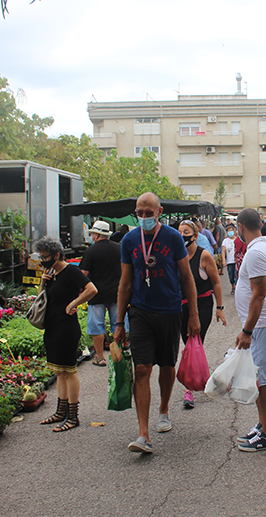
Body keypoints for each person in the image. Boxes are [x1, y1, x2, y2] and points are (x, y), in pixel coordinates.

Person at [115, 192, 200, 455]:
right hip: (140, 311)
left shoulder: (173, 237)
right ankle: (143, 434)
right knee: (142, 368)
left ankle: (163, 409)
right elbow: (125, 283)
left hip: (170, 310)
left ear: (159, 211)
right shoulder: (129, 240)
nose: (143, 217)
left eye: (148, 213)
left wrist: (194, 315)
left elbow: (187, 278)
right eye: (139, 213)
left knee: (166, 365)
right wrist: (119, 322)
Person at [34, 236, 98, 432]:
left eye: (46, 257)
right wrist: (43, 283)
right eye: (41, 257)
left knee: (69, 371)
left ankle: (73, 416)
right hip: (52, 327)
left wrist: (74, 303)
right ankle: (60, 412)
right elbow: (42, 300)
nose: (43, 261)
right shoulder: (51, 273)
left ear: (57, 255)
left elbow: (92, 289)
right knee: (59, 372)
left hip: (66, 328)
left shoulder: (71, 272)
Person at [233, 208, 266, 452]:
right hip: (262, 324)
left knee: (264, 382)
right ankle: (262, 426)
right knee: (260, 379)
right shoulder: (263, 249)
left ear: (241, 226)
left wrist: (247, 330)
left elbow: (259, 295)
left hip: (261, 325)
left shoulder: (256, 253)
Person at [177, 220, 227, 409]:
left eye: (186, 232)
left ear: (195, 236)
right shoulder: (176, 256)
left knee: (194, 340)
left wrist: (220, 308)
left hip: (203, 304)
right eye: (179, 232)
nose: (182, 235)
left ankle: (189, 387)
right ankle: (200, 376)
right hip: (180, 306)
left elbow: (215, 283)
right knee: (187, 341)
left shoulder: (204, 256)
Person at [79, 220, 126, 367]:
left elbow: (83, 274)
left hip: (96, 294)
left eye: (93, 233)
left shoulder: (91, 251)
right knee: (117, 325)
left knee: (97, 326)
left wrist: (79, 293)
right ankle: (118, 356)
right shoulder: (119, 248)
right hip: (117, 294)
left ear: (96, 235)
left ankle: (100, 357)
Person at [221, 223, 238, 294]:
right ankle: (233, 286)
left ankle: (237, 288)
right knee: (231, 275)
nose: (230, 232)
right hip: (229, 261)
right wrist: (224, 260)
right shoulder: (225, 241)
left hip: (237, 261)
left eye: (231, 230)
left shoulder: (237, 240)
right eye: (228, 231)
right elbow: (223, 251)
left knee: (236, 274)